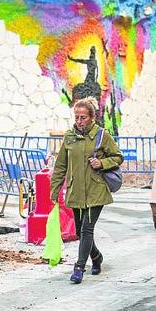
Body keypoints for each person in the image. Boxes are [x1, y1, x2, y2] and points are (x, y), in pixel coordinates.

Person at [50, 97, 124, 284]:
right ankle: (97, 257)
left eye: (83, 117)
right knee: (79, 229)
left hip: (96, 189)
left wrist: (102, 163)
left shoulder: (102, 135)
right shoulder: (69, 137)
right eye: (77, 117)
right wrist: (54, 190)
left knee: (87, 229)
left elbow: (118, 157)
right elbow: (60, 166)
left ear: (91, 117)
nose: (79, 121)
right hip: (75, 189)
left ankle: (79, 267)